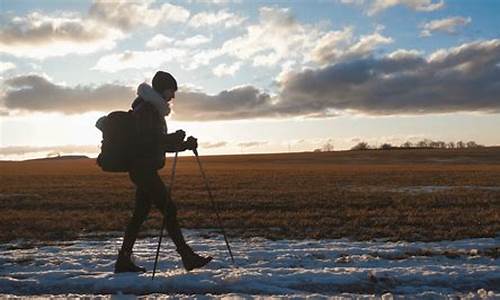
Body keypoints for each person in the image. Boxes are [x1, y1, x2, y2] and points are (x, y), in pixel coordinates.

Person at [114, 71, 212, 273]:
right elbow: (147, 140)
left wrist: (183, 145)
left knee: (140, 215)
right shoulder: (148, 109)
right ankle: (187, 256)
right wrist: (172, 138)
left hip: (143, 169)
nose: (173, 96)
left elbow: (157, 144)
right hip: (144, 170)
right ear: (162, 89)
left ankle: (123, 261)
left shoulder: (152, 109)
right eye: (171, 91)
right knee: (169, 210)